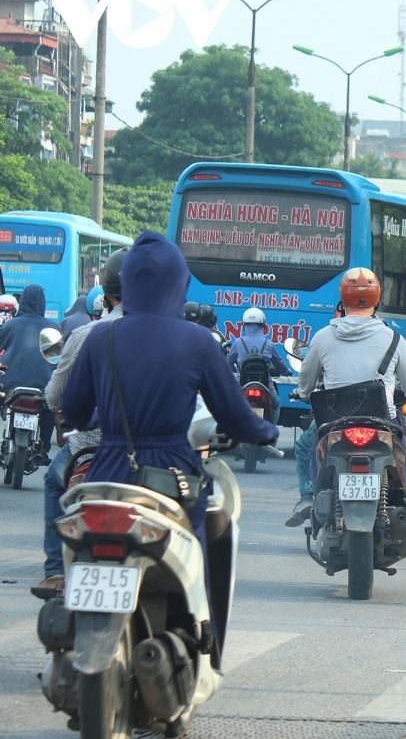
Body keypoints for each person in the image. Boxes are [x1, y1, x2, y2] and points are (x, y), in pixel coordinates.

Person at [61, 232, 278, 583]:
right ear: (180, 283)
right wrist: (265, 432)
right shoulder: (198, 340)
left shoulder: (101, 336)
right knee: (197, 552)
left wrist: (100, 418)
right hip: (171, 474)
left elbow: (73, 411)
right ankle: (200, 616)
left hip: (108, 472)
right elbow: (235, 416)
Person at [290, 267, 406, 525]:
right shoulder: (394, 339)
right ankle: (399, 497)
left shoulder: (322, 337)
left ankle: (313, 498)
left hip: (334, 422)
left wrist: (304, 392)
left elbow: (306, 379)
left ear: (343, 299)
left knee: (309, 448)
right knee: (404, 448)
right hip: (382, 421)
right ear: (377, 299)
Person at [34, 251, 127, 599]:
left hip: (89, 444)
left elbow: (55, 397)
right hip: (148, 451)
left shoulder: (87, 334)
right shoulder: (175, 335)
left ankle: (56, 571)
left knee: (53, 483)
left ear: (106, 294)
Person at [0, 284, 59, 455]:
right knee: (49, 409)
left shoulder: (11, 325)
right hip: (43, 386)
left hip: (10, 385)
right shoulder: (53, 328)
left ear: (23, 301)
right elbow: (57, 361)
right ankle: (44, 447)